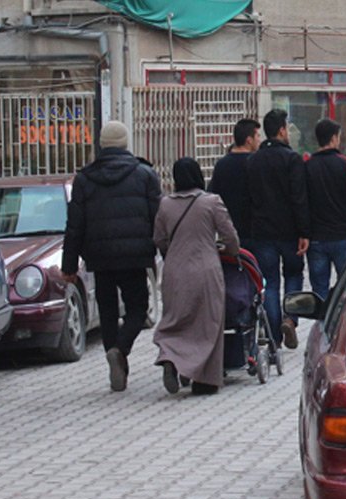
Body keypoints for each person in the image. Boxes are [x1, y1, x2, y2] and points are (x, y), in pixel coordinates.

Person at [62, 121, 161, 392]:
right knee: (138, 308)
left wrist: (68, 265)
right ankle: (121, 348)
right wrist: (166, 253)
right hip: (135, 256)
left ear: (102, 144)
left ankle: (112, 355)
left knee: (106, 310)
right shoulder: (144, 174)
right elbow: (158, 218)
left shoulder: (84, 179)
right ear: (125, 143)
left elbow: (74, 226)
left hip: (100, 257)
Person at [152, 158, 240, 396]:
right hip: (205, 269)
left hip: (175, 271)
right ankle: (205, 380)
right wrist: (233, 251)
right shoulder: (211, 202)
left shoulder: (165, 205)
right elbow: (229, 236)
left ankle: (170, 357)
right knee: (207, 323)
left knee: (175, 318)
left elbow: (159, 239)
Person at [247, 109, 310, 351]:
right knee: (293, 275)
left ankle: (274, 334)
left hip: (263, 232)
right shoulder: (292, 159)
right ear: (282, 130)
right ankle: (290, 319)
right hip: (290, 232)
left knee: (270, 282)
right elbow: (299, 198)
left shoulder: (253, 161)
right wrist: (305, 232)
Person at [305, 119, 346, 300]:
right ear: (334, 138)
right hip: (342, 234)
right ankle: (345, 323)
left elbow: (303, 201)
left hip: (317, 238)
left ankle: (321, 323)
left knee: (319, 288)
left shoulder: (308, 166)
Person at [208, 118, 260, 248]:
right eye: (258, 136)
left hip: (229, 228)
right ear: (249, 140)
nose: (260, 140)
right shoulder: (256, 163)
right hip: (255, 229)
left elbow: (213, 195)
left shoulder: (222, 164)